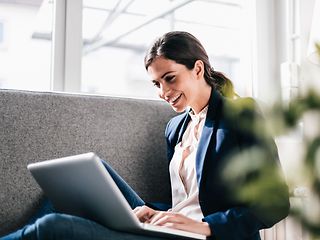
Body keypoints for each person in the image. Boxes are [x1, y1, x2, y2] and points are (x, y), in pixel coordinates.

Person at [0, 31, 290, 240]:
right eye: (156, 83)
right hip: (172, 230)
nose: (163, 92)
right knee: (71, 182)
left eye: (170, 78)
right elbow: (183, 203)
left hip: (207, 236)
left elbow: (275, 204)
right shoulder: (174, 128)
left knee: (54, 227)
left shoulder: (242, 114)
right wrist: (151, 212)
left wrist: (205, 226)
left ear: (197, 68)